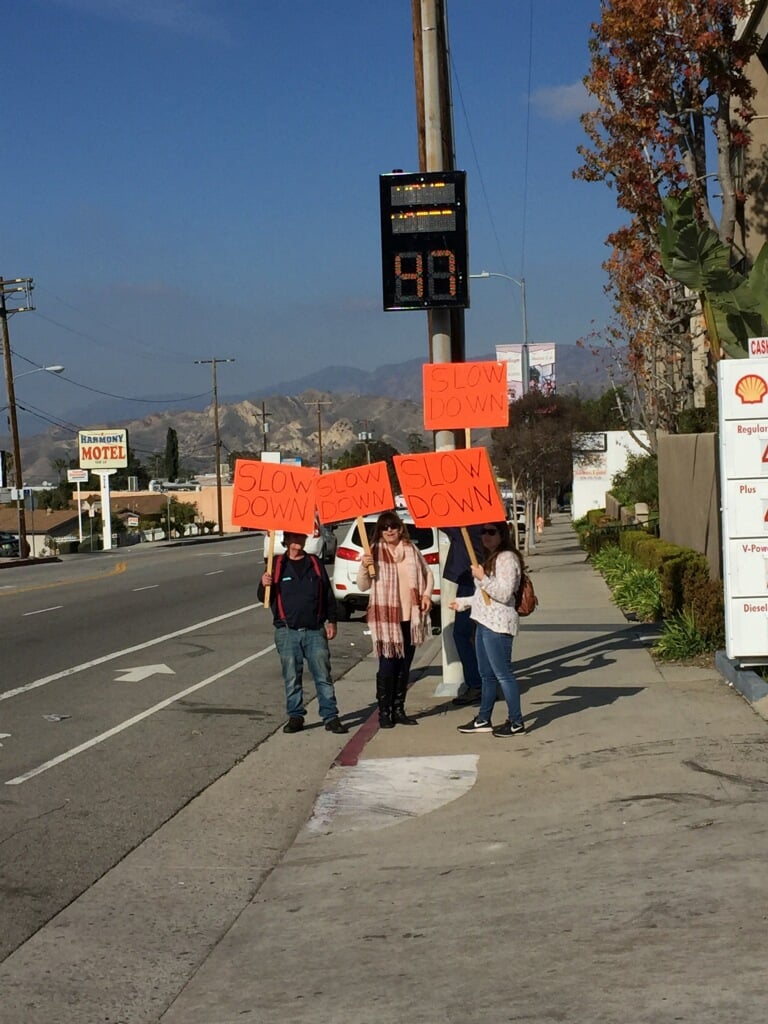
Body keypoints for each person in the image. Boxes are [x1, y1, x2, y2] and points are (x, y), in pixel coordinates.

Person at [258, 530, 348, 735]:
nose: (299, 541)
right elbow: (263, 597)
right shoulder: (277, 565)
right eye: (295, 537)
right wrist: (264, 584)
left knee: (323, 676)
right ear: (287, 540)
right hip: (287, 632)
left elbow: (327, 594)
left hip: (315, 631)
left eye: (302, 537)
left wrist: (332, 620)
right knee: (291, 677)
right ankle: (296, 716)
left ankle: (330, 716)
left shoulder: (315, 564)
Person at [450, 520, 526, 737]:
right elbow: (483, 598)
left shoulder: (507, 559)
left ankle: (516, 721)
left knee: (503, 675)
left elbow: (503, 594)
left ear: (502, 534)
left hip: (499, 625)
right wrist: (463, 603)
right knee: (486, 676)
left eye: (492, 532)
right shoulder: (490, 558)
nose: (486, 536)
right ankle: (484, 718)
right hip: (484, 623)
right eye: (483, 532)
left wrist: (482, 578)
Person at [357, 511, 433, 728]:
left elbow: (428, 574)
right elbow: (362, 585)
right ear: (380, 532)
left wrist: (426, 594)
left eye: (393, 526)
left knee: (404, 666)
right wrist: (364, 566)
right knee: (388, 666)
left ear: (400, 529)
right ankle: (385, 712)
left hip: (411, 617)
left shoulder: (411, 549)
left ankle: (399, 709)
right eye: (385, 527)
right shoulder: (374, 552)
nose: (389, 530)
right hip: (387, 621)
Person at [442, 525, 484, 706]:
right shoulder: (484, 521)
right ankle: (482, 683)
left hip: (472, 579)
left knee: (463, 634)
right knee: (478, 636)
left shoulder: (467, 525)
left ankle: (477, 684)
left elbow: (442, 521)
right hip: (475, 576)